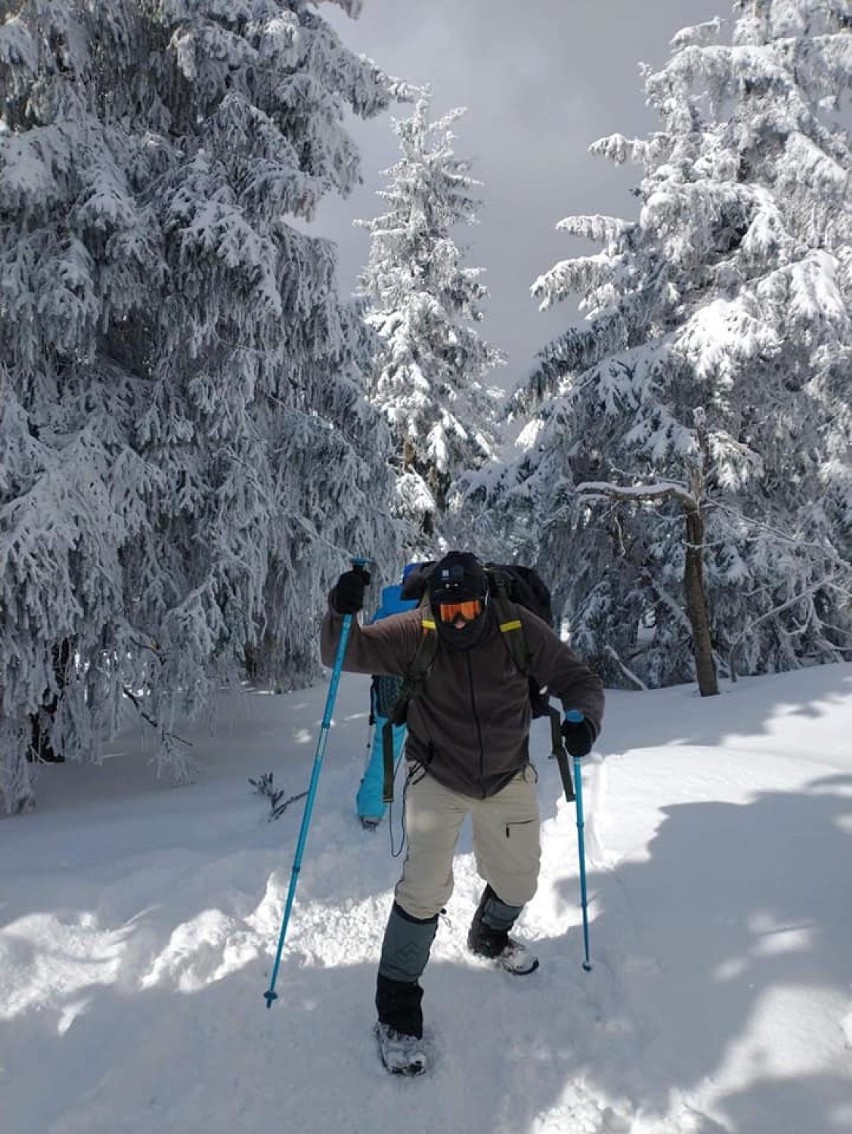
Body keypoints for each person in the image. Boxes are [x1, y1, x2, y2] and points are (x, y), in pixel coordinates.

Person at [321, 550, 604, 1075]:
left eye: (468, 609)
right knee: (423, 889)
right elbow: (347, 652)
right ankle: (398, 1015)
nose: (458, 621)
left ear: (485, 599)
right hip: (438, 774)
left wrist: (584, 717)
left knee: (519, 882)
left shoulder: (519, 628)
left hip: (506, 774)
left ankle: (489, 934)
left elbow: (576, 678)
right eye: (448, 610)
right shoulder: (419, 630)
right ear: (435, 604)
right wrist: (340, 611)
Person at [356, 565, 419, 829]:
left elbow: (369, 642)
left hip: (388, 686)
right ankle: (432, 807)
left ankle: (372, 807)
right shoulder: (434, 606)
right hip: (427, 687)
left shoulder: (387, 606)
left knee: (386, 747)